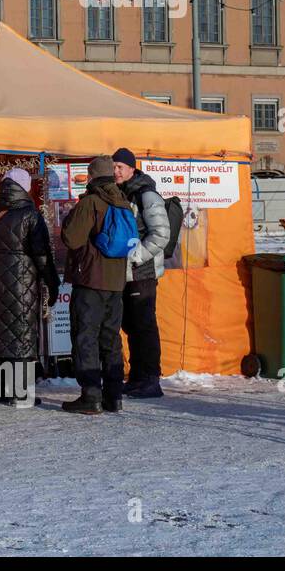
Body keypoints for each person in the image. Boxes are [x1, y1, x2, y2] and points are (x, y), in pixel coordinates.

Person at [0, 167, 60, 406]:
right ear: (24, 187)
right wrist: (52, 284)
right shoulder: (31, 215)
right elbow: (42, 255)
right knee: (21, 334)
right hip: (22, 284)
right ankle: (19, 392)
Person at [60, 156, 131, 414]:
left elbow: (71, 238)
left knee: (85, 337)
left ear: (91, 176)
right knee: (110, 338)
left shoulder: (91, 202)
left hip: (90, 280)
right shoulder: (123, 202)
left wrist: (70, 216)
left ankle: (91, 396)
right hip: (116, 282)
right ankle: (114, 395)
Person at [111, 147, 170, 398]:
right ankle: (137, 377)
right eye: (113, 167)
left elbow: (161, 233)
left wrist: (136, 257)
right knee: (132, 326)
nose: (115, 171)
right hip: (128, 273)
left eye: (120, 167)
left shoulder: (146, 195)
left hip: (142, 272)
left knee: (144, 326)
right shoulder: (123, 193)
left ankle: (150, 379)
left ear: (131, 169)